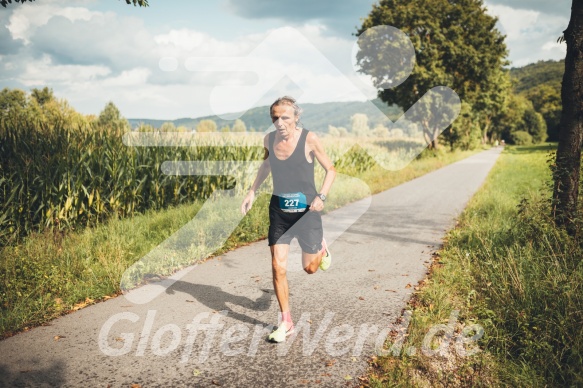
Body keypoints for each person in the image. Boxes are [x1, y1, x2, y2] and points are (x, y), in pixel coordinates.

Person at [241, 96, 336, 343]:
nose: (280, 122)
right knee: (277, 266)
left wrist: (322, 196)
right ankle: (286, 321)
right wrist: (252, 191)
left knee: (310, 268)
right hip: (280, 212)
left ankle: (321, 247)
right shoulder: (269, 140)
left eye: (285, 117)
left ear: (295, 117)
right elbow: (266, 165)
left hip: (307, 213)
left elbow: (331, 169)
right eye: (275, 118)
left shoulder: (309, 139)